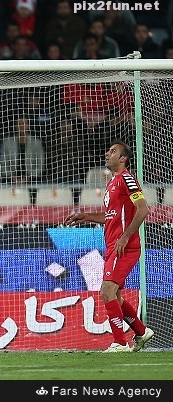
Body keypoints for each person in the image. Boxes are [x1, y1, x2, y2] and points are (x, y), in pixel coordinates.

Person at [64, 140, 154, 353]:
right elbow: (111, 216)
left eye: (113, 151)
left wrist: (125, 237)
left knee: (106, 291)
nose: (107, 153)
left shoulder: (127, 179)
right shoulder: (112, 183)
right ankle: (141, 332)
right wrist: (87, 216)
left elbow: (142, 209)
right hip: (113, 245)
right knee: (115, 295)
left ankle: (120, 343)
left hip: (124, 246)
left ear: (123, 159)